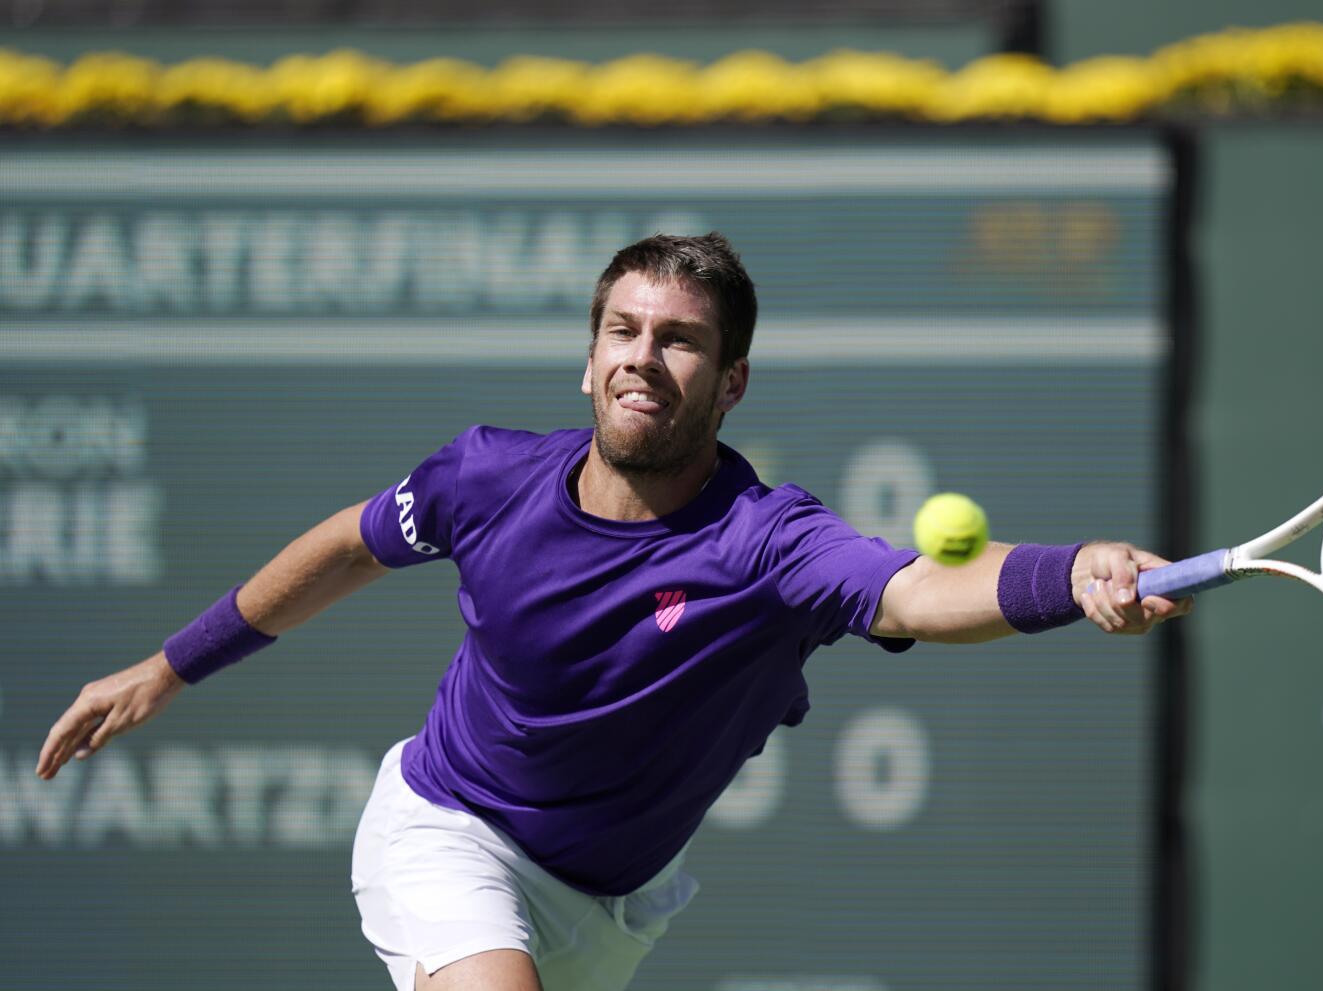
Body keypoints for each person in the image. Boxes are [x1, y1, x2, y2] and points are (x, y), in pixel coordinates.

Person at [35, 233, 1190, 991]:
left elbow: (918, 589)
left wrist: (1068, 571)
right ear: (587, 362)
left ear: (731, 382)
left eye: (681, 340)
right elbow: (346, 546)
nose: (646, 358)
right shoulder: (483, 480)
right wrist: (169, 667)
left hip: (611, 912)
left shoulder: (766, 539)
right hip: (451, 833)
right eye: (623, 333)